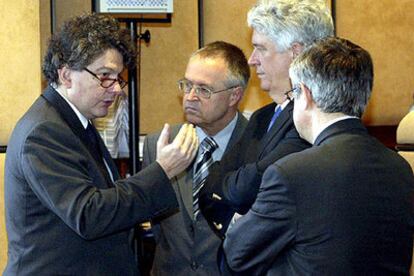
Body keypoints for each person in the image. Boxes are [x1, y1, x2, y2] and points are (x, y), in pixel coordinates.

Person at [4, 14, 198, 276]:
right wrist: (161, 170)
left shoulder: (75, 121)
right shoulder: (45, 131)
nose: (116, 89)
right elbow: (88, 214)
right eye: (105, 76)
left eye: (118, 77)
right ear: (66, 75)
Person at [223, 37, 414, 275]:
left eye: (293, 92)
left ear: (305, 94)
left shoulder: (290, 174)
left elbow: (238, 254)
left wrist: (239, 220)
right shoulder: (400, 168)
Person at [199, 0, 333, 238]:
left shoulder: (314, 118)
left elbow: (248, 187)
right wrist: (237, 224)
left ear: (296, 53)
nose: (252, 60)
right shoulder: (262, 117)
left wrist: (239, 214)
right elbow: (210, 188)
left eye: (261, 48)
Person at [142, 41, 249, 275]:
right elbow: (157, 227)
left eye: (203, 89)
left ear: (234, 96)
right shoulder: (159, 144)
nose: (189, 97)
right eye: (187, 85)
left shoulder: (259, 147)